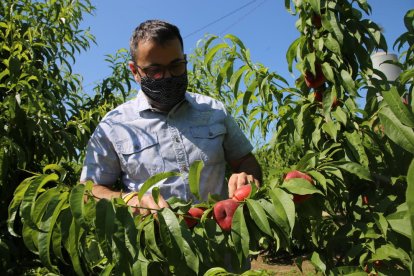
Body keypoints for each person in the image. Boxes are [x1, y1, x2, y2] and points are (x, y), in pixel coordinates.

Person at [80, 19, 262, 215]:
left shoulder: (213, 110)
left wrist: (247, 177)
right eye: (155, 70)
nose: (167, 77)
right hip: (155, 240)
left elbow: (246, 160)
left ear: (185, 60)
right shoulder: (114, 124)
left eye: (176, 66)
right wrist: (128, 199)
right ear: (135, 71)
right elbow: (88, 191)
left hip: (220, 235)